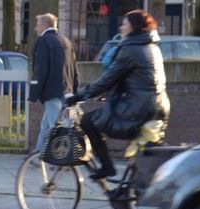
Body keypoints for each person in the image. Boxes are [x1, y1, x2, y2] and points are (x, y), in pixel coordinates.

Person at [66, 10, 169, 180]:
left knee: (87, 122)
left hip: (140, 107)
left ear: (133, 27)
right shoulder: (151, 46)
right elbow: (134, 80)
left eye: (124, 23)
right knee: (136, 149)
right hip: (156, 105)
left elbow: (108, 79)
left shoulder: (131, 50)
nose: (121, 27)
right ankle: (127, 191)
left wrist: (78, 96)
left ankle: (107, 167)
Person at [30, 13, 78, 155]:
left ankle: (63, 156)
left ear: (45, 25)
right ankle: (38, 155)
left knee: (55, 127)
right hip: (67, 90)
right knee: (46, 124)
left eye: (37, 25)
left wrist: (34, 93)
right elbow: (74, 69)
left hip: (52, 91)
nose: (35, 28)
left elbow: (40, 69)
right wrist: (75, 90)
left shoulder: (43, 41)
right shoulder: (66, 41)